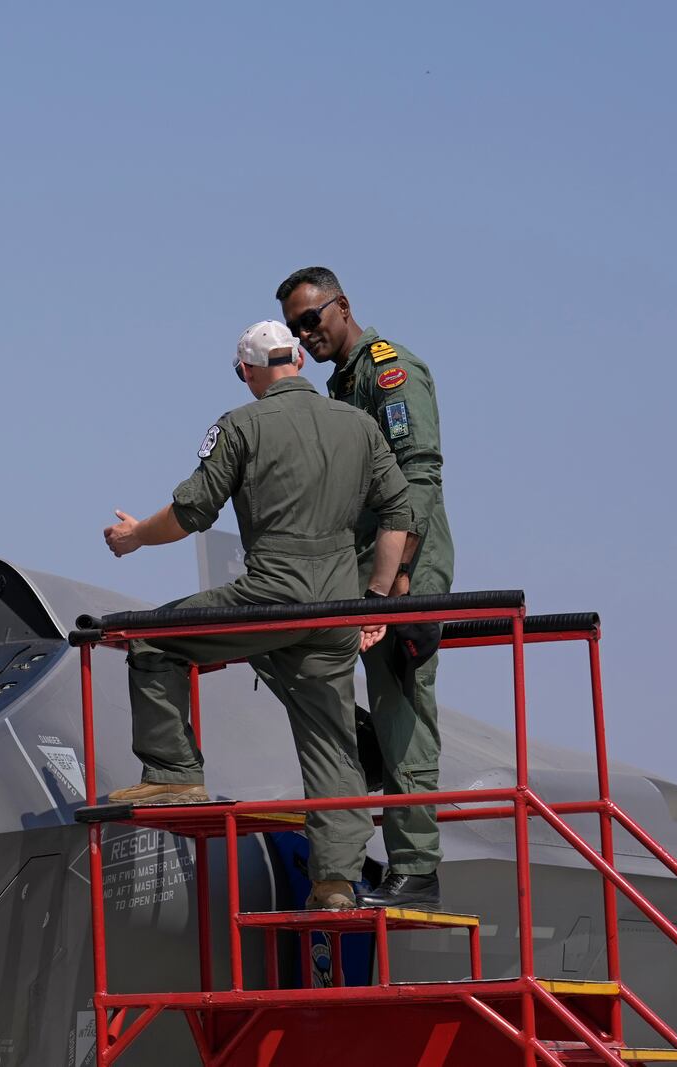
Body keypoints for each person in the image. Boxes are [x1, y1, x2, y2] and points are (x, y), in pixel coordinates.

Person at [102, 321, 417, 910]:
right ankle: (336, 882)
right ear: (297, 359)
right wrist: (374, 599)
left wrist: (134, 537)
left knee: (151, 640)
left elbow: (191, 512)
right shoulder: (361, 425)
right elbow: (400, 509)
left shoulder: (240, 425)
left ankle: (173, 776)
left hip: (270, 595)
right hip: (336, 610)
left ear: (247, 371)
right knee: (330, 737)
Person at [277, 266, 455, 910]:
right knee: (280, 643)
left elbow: (420, 477)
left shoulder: (388, 373)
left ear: (341, 307)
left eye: (311, 320)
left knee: (400, 701)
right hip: (357, 566)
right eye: (295, 329)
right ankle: (370, 748)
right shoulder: (343, 386)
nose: (305, 334)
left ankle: (416, 868)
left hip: (405, 564)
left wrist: (400, 579)